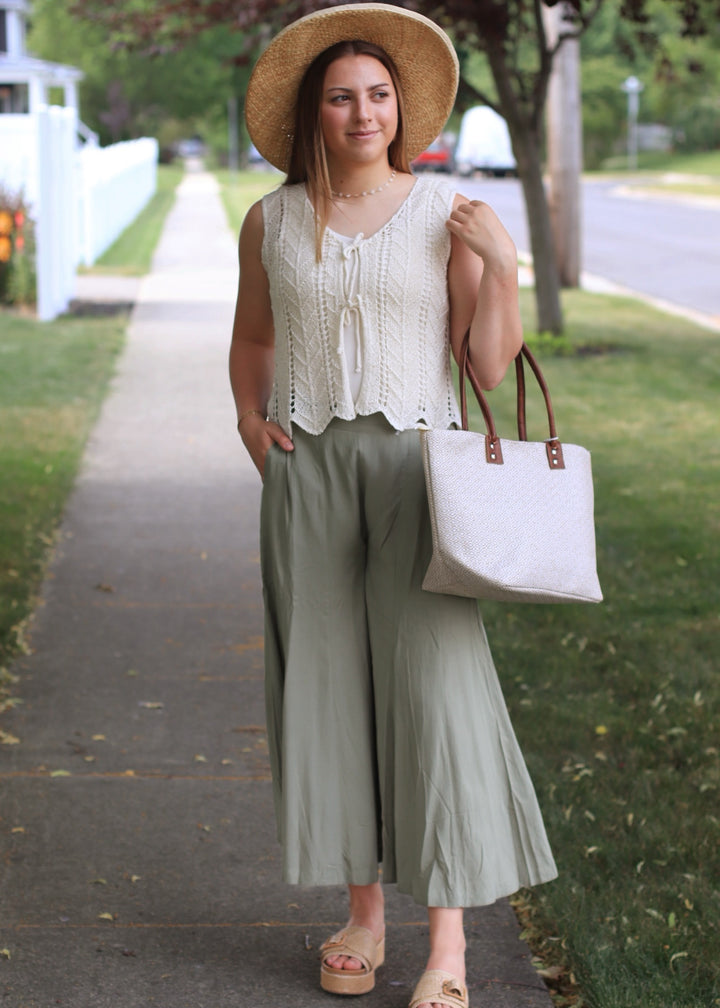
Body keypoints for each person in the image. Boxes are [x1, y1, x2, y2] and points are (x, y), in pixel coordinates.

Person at [229, 6, 557, 1007]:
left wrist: (501, 264)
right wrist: (250, 422)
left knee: (434, 691)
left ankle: (448, 947)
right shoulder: (273, 221)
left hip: (420, 473)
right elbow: (252, 340)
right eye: (341, 96)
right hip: (308, 473)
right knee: (326, 692)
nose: (362, 111)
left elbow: (488, 366)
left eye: (377, 95)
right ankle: (363, 920)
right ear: (312, 113)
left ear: (399, 107)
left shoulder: (443, 213)